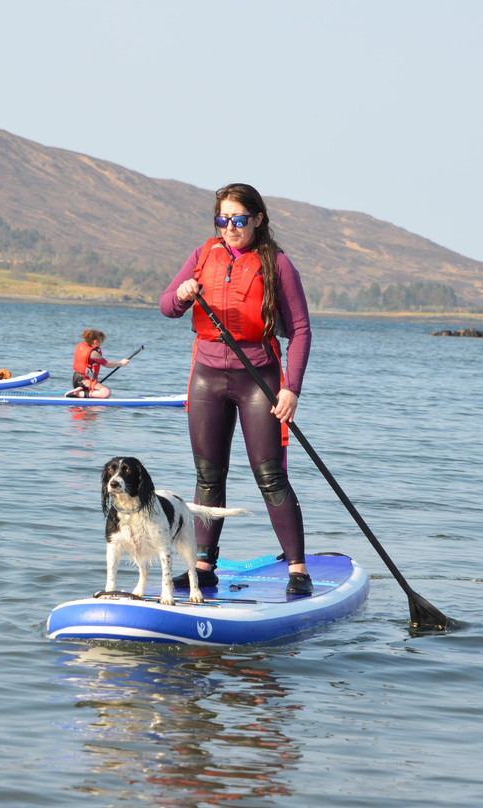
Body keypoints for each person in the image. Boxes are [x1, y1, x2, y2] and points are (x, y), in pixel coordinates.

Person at [160, 183, 314, 596]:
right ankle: (204, 565)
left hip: (259, 379)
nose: (229, 227)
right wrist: (180, 294)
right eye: (222, 219)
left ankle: (297, 569)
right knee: (208, 475)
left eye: (239, 219)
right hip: (207, 377)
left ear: (258, 219)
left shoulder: (277, 263)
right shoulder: (203, 254)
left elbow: (300, 330)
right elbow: (166, 306)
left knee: (270, 476)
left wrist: (291, 389)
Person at [69, 329, 130, 398]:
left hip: (78, 378)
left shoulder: (82, 346)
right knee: (106, 393)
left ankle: (82, 392)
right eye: (101, 341)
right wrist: (121, 363)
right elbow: (107, 364)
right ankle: (78, 394)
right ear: (95, 342)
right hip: (82, 381)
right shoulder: (93, 353)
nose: (102, 343)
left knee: (99, 387)